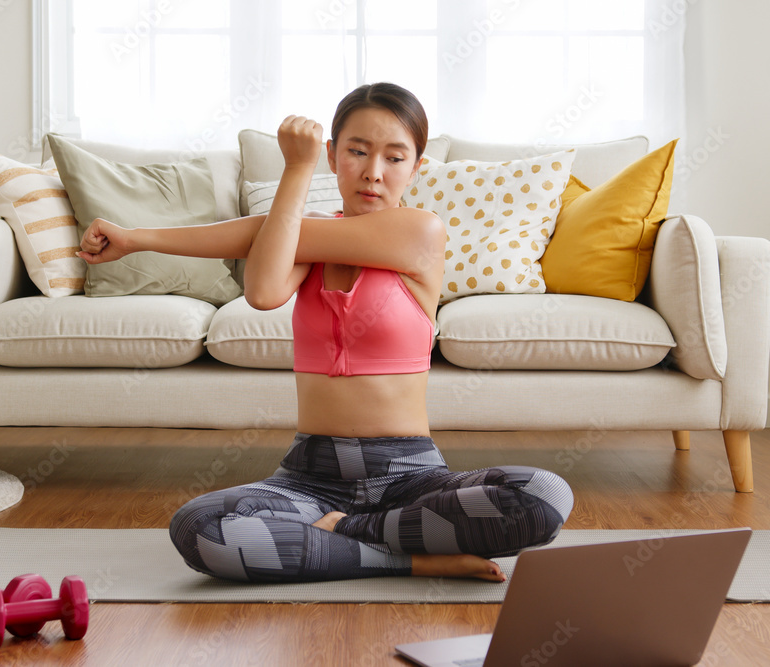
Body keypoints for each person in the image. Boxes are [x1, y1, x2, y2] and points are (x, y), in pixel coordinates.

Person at [78, 82, 573, 584]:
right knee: (200, 528)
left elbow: (262, 234)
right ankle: (405, 556)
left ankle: (349, 531)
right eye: (357, 151)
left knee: (543, 496)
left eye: (395, 157)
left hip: (411, 477)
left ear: (417, 167)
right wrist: (295, 169)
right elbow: (264, 291)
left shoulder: (420, 231)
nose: (373, 173)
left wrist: (139, 237)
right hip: (308, 480)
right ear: (332, 156)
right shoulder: (298, 241)